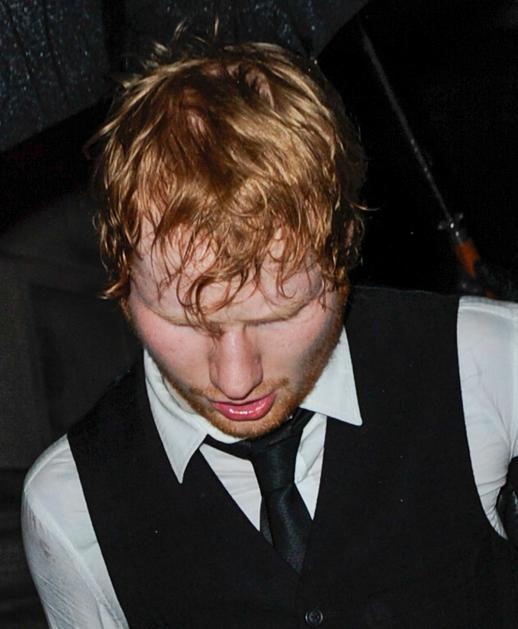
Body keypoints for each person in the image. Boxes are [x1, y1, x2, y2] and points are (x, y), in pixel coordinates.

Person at [22, 39, 518, 628]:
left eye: (279, 314)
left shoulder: (489, 364)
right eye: (184, 320)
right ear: (121, 275)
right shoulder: (68, 506)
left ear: (342, 249)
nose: (236, 379)